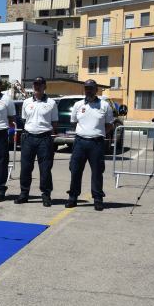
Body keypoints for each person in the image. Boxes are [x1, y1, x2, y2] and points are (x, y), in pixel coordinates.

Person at [66, 79, 115, 211]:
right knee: (75, 170)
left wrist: (97, 133)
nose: (88, 90)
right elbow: (74, 122)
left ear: (96, 89)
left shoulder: (105, 105)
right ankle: (73, 197)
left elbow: (109, 125)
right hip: (80, 142)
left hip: (96, 143)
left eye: (91, 88)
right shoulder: (78, 105)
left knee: (97, 172)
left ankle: (98, 199)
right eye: (86, 88)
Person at [16, 77, 58, 207]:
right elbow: (24, 119)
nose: (37, 87)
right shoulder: (26, 102)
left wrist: (47, 133)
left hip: (44, 139)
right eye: (35, 85)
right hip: (28, 138)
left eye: (40, 85)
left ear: (45, 87)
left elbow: (54, 122)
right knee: (25, 168)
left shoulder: (51, 103)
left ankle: (46, 195)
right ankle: (24, 194)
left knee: (45, 169)